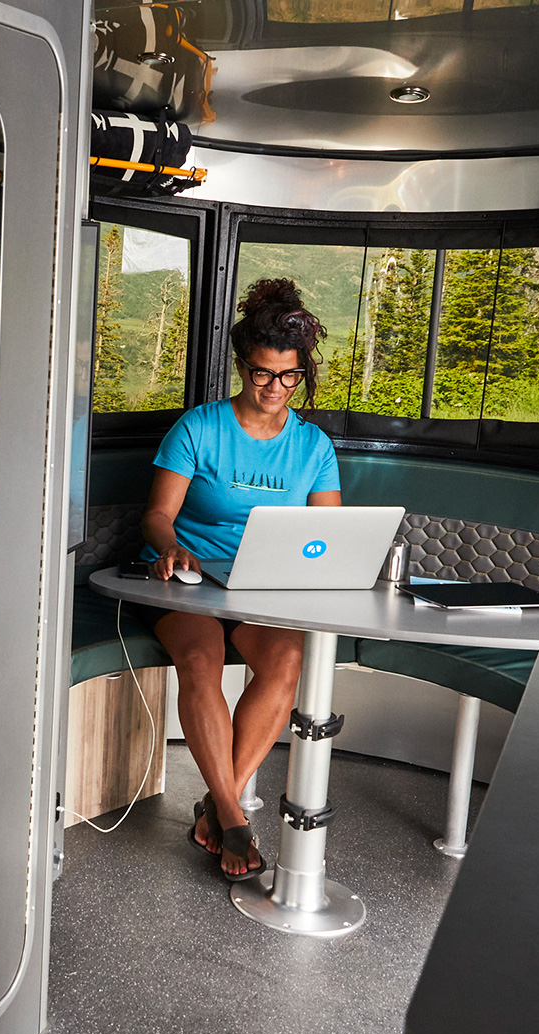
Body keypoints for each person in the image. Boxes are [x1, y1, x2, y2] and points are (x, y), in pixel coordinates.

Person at [131, 278, 340, 882]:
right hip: (187, 579)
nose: (275, 388)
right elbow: (157, 516)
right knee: (201, 660)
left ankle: (218, 804)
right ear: (242, 367)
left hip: (261, 587)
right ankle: (232, 816)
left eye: (289, 376)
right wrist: (172, 547)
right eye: (262, 374)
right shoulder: (199, 428)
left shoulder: (313, 446)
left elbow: (328, 533)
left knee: (287, 661)